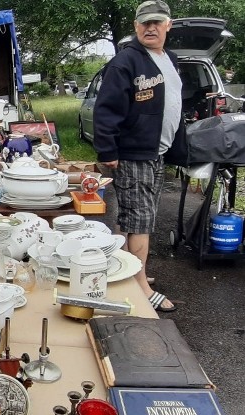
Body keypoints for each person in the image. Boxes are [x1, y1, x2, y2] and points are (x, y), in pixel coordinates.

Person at [93, 0, 183, 312]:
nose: (151, 27)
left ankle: (127, 272)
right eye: (145, 23)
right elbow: (105, 111)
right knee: (140, 221)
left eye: (157, 22)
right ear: (136, 26)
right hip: (132, 155)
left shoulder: (167, 58)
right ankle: (141, 286)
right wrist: (108, 150)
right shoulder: (126, 62)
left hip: (154, 153)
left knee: (133, 217)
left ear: (168, 25)